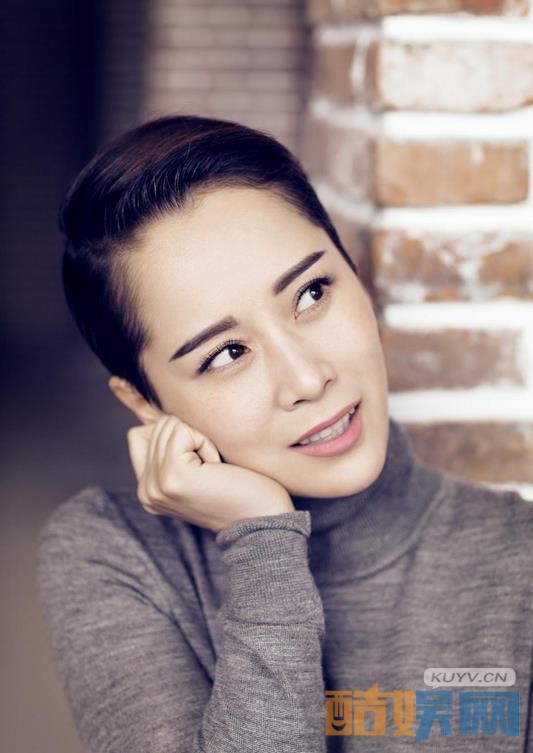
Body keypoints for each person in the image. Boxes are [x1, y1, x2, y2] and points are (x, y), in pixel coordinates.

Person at [36, 114, 533, 752]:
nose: (307, 377)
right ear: (145, 402)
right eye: (225, 354)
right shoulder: (115, 554)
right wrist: (262, 541)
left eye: (311, 293)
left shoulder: (517, 556)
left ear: (356, 275)